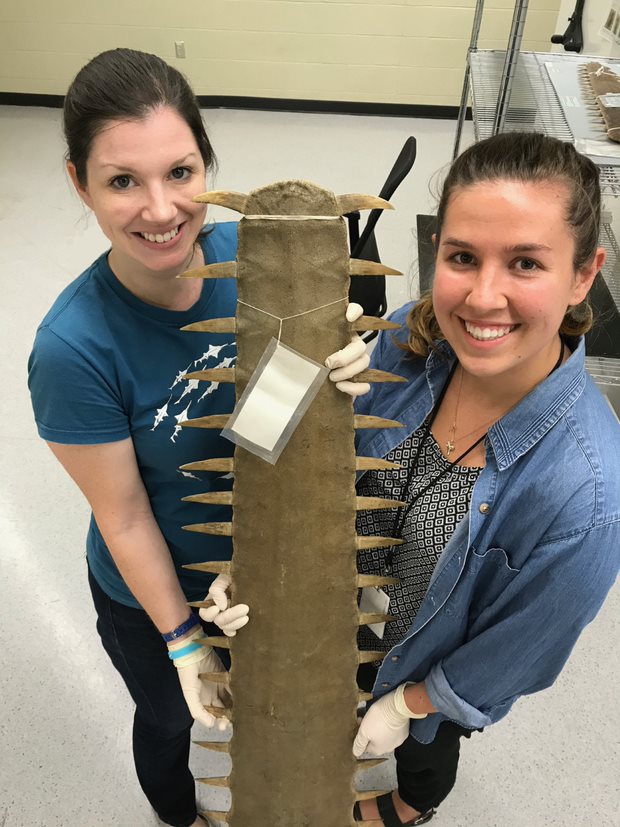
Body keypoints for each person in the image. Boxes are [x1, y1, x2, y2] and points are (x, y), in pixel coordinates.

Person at [221, 132, 620, 825]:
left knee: (428, 752)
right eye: (462, 257)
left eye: (526, 262)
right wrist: (300, 363)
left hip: (430, 655)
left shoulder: (586, 496)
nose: (483, 297)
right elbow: (262, 434)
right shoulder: (415, 333)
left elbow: (517, 652)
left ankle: (410, 804)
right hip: (339, 601)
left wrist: (409, 705)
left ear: (585, 274)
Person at [27, 48, 368, 827]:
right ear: (80, 183)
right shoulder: (73, 348)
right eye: (122, 181)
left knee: (262, 709)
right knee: (173, 720)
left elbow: (265, 416)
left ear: (206, 163)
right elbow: (122, 517)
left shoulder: (239, 256)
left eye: (180, 173)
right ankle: (176, 814)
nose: (160, 209)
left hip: (255, 571)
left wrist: (331, 361)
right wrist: (183, 640)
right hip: (156, 592)